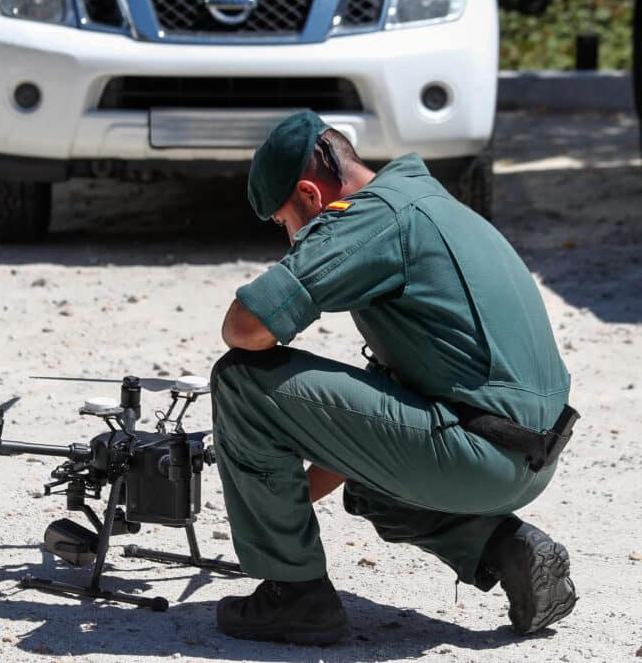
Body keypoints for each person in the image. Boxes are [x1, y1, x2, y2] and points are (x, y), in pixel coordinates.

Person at [210, 110, 577, 645]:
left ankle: (295, 599)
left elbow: (244, 328)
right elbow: (369, 428)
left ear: (311, 196)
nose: (290, 240)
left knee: (242, 381)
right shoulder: (430, 203)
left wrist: (260, 484)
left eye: (283, 225)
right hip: (527, 455)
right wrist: (267, 495)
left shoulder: (371, 219)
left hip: (479, 453)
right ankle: (508, 549)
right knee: (370, 490)